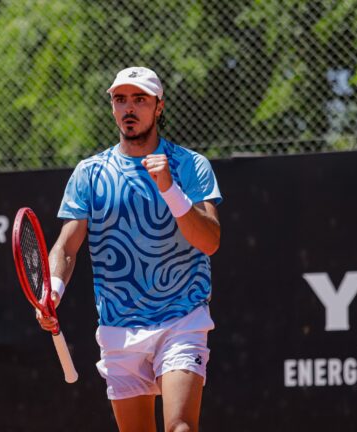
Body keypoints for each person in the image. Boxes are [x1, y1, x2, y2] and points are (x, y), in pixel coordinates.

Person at [37, 66, 222, 432]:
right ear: (112, 108)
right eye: (120, 99)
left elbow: (209, 240)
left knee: (180, 428)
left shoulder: (191, 165)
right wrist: (52, 291)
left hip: (181, 317)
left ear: (159, 107)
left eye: (140, 99)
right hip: (119, 327)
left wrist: (169, 188)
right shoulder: (89, 173)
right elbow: (67, 247)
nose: (129, 108)